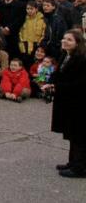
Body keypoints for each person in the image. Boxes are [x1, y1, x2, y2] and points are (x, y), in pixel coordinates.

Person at [43, 29, 86, 178]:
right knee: (71, 133)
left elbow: (80, 84)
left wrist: (57, 87)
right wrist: (50, 83)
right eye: (64, 38)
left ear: (77, 43)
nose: (64, 41)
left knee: (79, 135)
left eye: (69, 40)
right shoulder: (65, 55)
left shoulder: (82, 59)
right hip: (67, 101)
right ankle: (73, 162)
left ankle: (80, 168)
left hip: (79, 103)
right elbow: (57, 73)